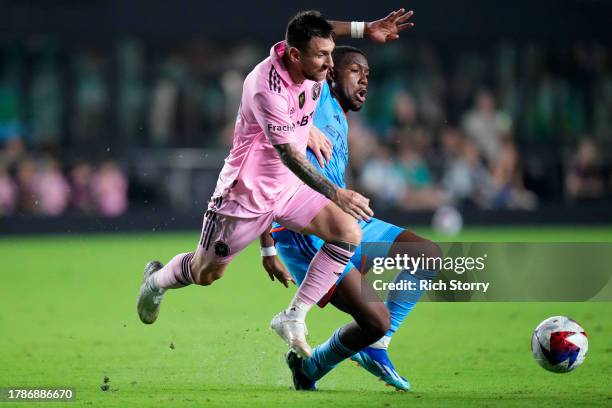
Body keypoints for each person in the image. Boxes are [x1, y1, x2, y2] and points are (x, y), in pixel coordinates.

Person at [137, 9, 415, 359]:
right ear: (295, 54)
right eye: (322, 56)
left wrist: (365, 28)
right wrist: (336, 194)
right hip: (245, 197)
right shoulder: (264, 86)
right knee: (205, 273)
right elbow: (287, 155)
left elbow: (322, 33)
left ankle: (293, 317)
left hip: (289, 189)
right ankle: (155, 282)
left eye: (331, 54)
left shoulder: (309, 60)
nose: (330, 64)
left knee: (347, 232)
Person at [264, 46, 440, 391]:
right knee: (374, 320)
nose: (364, 81)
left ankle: (371, 347)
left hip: (345, 220)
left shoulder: (341, 118)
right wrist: (362, 28)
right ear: (328, 71)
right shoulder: (313, 96)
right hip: (308, 232)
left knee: (427, 255)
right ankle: (312, 367)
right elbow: (300, 41)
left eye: (368, 75)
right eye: (355, 71)